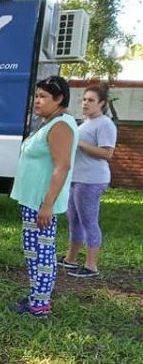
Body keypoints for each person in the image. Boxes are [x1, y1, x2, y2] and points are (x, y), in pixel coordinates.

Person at [9, 75, 79, 318]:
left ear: (59, 99)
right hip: (32, 201)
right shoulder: (51, 122)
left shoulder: (60, 126)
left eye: (43, 97)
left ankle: (40, 305)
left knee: (42, 253)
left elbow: (62, 167)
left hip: (41, 202)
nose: (37, 102)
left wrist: (47, 204)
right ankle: (36, 296)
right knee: (34, 252)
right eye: (36, 96)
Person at [58, 84, 116, 280]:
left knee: (88, 221)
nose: (85, 103)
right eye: (84, 99)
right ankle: (70, 259)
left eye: (91, 100)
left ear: (102, 103)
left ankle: (91, 266)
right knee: (74, 220)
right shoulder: (85, 123)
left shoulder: (105, 124)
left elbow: (107, 153)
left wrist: (79, 142)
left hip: (92, 180)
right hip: (76, 179)